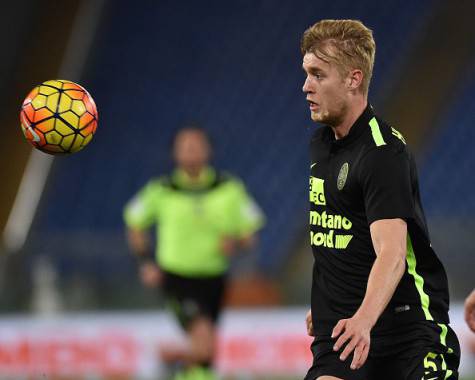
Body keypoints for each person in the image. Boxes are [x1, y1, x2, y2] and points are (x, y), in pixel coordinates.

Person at [300, 19, 460, 380]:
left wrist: (363, 319)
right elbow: (335, 230)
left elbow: (392, 255)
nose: (306, 86)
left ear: (353, 79)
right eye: (306, 74)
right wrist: (328, 304)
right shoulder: (320, 145)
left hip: (407, 333)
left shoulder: (382, 153)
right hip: (345, 332)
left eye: (318, 74)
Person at [123, 126, 265, 380]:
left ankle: (180, 368)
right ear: (175, 153)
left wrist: (234, 242)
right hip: (177, 279)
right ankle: (168, 359)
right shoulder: (161, 189)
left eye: (196, 144)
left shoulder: (229, 188)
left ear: (208, 150)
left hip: (214, 279)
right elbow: (134, 223)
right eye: (185, 145)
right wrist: (145, 262)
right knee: (203, 342)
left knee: (205, 358)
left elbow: (250, 234)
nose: (191, 150)